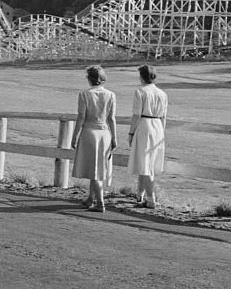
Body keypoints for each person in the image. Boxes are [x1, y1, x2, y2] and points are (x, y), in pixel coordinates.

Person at [71, 65, 117, 213]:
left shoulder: (84, 94)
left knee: (94, 170)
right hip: (104, 133)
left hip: (89, 132)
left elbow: (81, 117)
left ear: (89, 79)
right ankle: (90, 199)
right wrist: (115, 137)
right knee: (97, 167)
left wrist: (74, 135)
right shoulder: (111, 95)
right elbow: (111, 118)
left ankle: (100, 202)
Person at [127, 64, 168, 208]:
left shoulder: (140, 91)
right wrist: (162, 134)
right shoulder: (162, 94)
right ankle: (140, 194)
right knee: (147, 161)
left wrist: (131, 133)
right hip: (157, 127)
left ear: (142, 77)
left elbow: (136, 115)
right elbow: (164, 116)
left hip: (145, 125)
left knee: (145, 163)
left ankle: (150, 198)